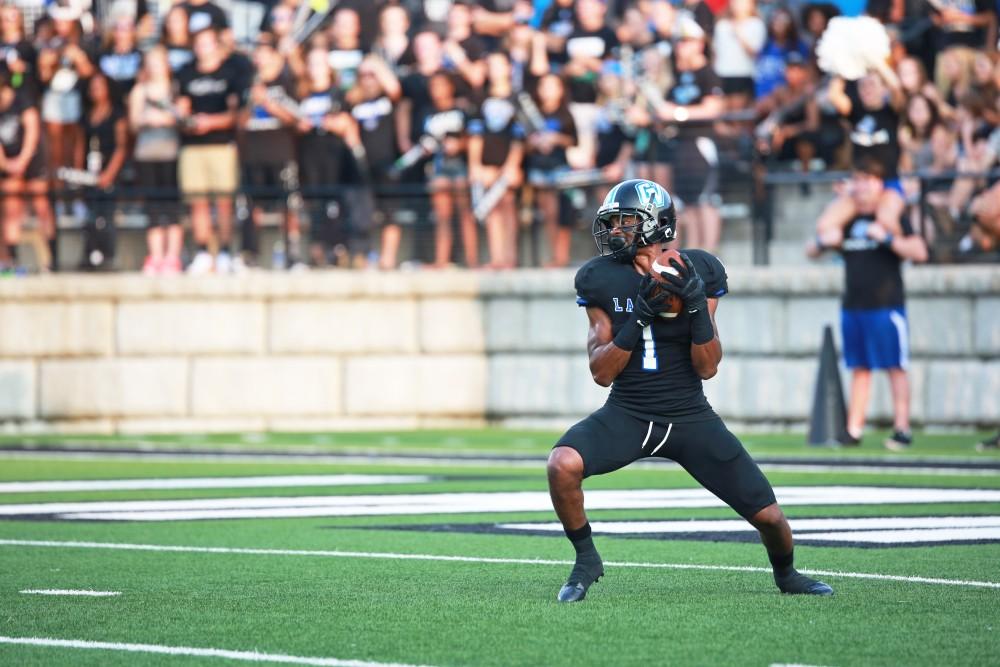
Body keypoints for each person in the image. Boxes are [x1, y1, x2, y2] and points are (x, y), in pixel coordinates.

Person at [547, 177, 834, 602]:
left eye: (625, 222)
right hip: (630, 412)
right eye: (612, 222)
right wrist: (640, 316)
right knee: (561, 464)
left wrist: (697, 303)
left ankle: (787, 574)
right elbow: (601, 372)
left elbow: (708, 366)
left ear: (654, 224)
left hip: (690, 416)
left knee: (771, 518)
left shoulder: (698, 268)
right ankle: (586, 559)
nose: (614, 231)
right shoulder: (599, 279)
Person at [806, 162, 928, 450]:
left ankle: (902, 428)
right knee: (859, 368)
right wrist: (824, 242)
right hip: (853, 306)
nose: (861, 186)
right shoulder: (846, 218)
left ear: (879, 185)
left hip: (886, 305)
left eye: (868, 180)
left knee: (895, 367)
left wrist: (886, 237)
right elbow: (811, 249)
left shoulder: (890, 216)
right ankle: (854, 429)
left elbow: (920, 251)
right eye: (857, 180)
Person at [176, 27, 245, 274]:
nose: (201, 48)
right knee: (198, 202)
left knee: (225, 201)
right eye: (198, 43)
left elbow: (236, 114)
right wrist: (186, 119)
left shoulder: (230, 73)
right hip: (193, 146)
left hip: (221, 145)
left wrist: (210, 122)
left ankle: (225, 250)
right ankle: (203, 251)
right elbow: (182, 106)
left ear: (217, 46)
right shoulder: (186, 73)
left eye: (206, 43)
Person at [129, 46, 182, 275]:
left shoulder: (175, 89)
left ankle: (172, 257)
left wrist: (164, 118)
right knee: (152, 206)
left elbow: (181, 117)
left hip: (171, 153)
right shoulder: (140, 90)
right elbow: (133, 122)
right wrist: (148, 119)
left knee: (172, 207)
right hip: (147, 153)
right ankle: (156, 255)